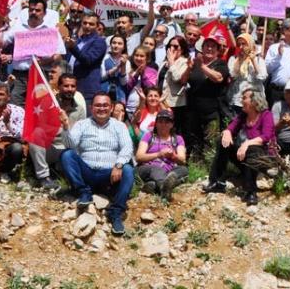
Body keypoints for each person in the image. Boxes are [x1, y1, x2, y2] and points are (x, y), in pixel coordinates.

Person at [60, 93, 134, 236]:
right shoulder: (82, 124)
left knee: (128, 170)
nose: (102, 108)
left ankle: (116, 213)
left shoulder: (119, 126)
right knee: (67, 155)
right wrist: (65, 127)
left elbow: (127, 148)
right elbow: (70, 145)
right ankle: (83, 192)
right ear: (91, 108)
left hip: (109, 176)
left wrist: (118, 165)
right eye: (98, 105)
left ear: (111, 108)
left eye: (105, 105)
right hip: (86, 172)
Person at [204, 89, 274, 205]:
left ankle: (250, 191)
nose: (241, 100)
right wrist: (227, 132)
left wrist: (247, 144)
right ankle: (217, 182)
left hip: (262, 158)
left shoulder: (266, 115)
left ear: (254, 102)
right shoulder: (243, 115)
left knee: (253, 150)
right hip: (243, 156)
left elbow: (266, 137)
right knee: (223, 142)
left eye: (244, 98)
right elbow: (231, 127)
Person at [0, 0, 65, 106]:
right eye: (31, 10)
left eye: (37, 10)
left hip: (40, 75)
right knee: (15, 106)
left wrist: (44, 62)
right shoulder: (19, 27)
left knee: (38, 108)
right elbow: (1, 43)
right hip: (19, 76)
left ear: (44, 13)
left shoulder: (51, 30)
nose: (34, 12)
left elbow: (59, 55)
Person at [29, 73, 87, 191]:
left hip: (69, 148)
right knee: (36, 133)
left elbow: (78, 135)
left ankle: (65, 175)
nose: (69, 89)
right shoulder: (48, 104)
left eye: (72, 86)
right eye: (66, 86)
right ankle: (43, 177)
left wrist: (64, 126)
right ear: (59, 87)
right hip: (51, 148)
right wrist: (61, 128)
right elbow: (40, 126)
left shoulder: (79, 110)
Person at [186, 35, 229, 156]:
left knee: (211, 143)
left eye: (213, 46)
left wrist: (202, 66)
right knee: (194, 142)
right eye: (207, 46)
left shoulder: (221, 64)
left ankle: (210, 169)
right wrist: (188, 69)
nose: (210, 49)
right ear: (202, 48)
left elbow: (218, 78)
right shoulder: (195, 63)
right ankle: (195, 168)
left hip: (211, 112)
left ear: (218, 49)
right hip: (194, 110)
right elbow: (184, 81)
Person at [135, 108, 187, 198]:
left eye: (167, 122)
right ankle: (165, 188)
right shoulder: (148, 136)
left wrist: (174, 156)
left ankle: (154, 186)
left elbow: (182, 160)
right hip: (148, 168)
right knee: (157, 170)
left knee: (183, 169)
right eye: (160, 122)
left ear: (172, 124)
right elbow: (139, 157)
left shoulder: (177, 139)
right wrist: (159, 154)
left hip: (169, 169)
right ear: (156, 123)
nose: (163, 125)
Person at [64, 13, 107, 104]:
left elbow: (88, 60)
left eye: (91, 24)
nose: (87, 26)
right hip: (72, 86)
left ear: (97, 26)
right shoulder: (78, 40)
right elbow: (69, 60)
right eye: (85, 23)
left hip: (87, 89)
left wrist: (73, 47)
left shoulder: (99, 41)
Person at [160, 36, 191, 143]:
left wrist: (172, 62)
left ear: (182, 49)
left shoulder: (184, 61)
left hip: (175, 104)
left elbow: (178, 78)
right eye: (170, 46)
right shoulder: (164, 62)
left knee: (175, 131)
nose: (172, 48)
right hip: (162, 101)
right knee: (163, 130)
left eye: (175, 46)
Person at [227, 33, 267, 109]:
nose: (241, 47)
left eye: (244, 44)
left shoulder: (258, 60)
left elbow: (262, 77)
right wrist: (240, 60)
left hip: (255, 100)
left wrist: (253, 61)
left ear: (250, 44)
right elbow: (233, 76)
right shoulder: (234, 59)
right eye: (239, 45)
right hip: (238, 100)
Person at [124, 46, 158, 117]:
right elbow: (126, 88)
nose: (139, 58)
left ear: (147, 58)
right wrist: (136, 75)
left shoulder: (152, 72)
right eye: (136, 55)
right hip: (128, 108)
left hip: (144, 108)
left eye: (142, 56)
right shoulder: (129, 70)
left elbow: (150, 88)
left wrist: (143, 74)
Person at [101, 34, 129, 103]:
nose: (116, 46)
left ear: (124, 46)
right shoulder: (104, 58)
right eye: (114, 43)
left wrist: (123, 66)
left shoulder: (127, 62)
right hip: (104, 92)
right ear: (110, 45)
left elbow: (124, 82)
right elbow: (101, 77)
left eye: (120, 44)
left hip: (119, 95)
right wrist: (116, 68)